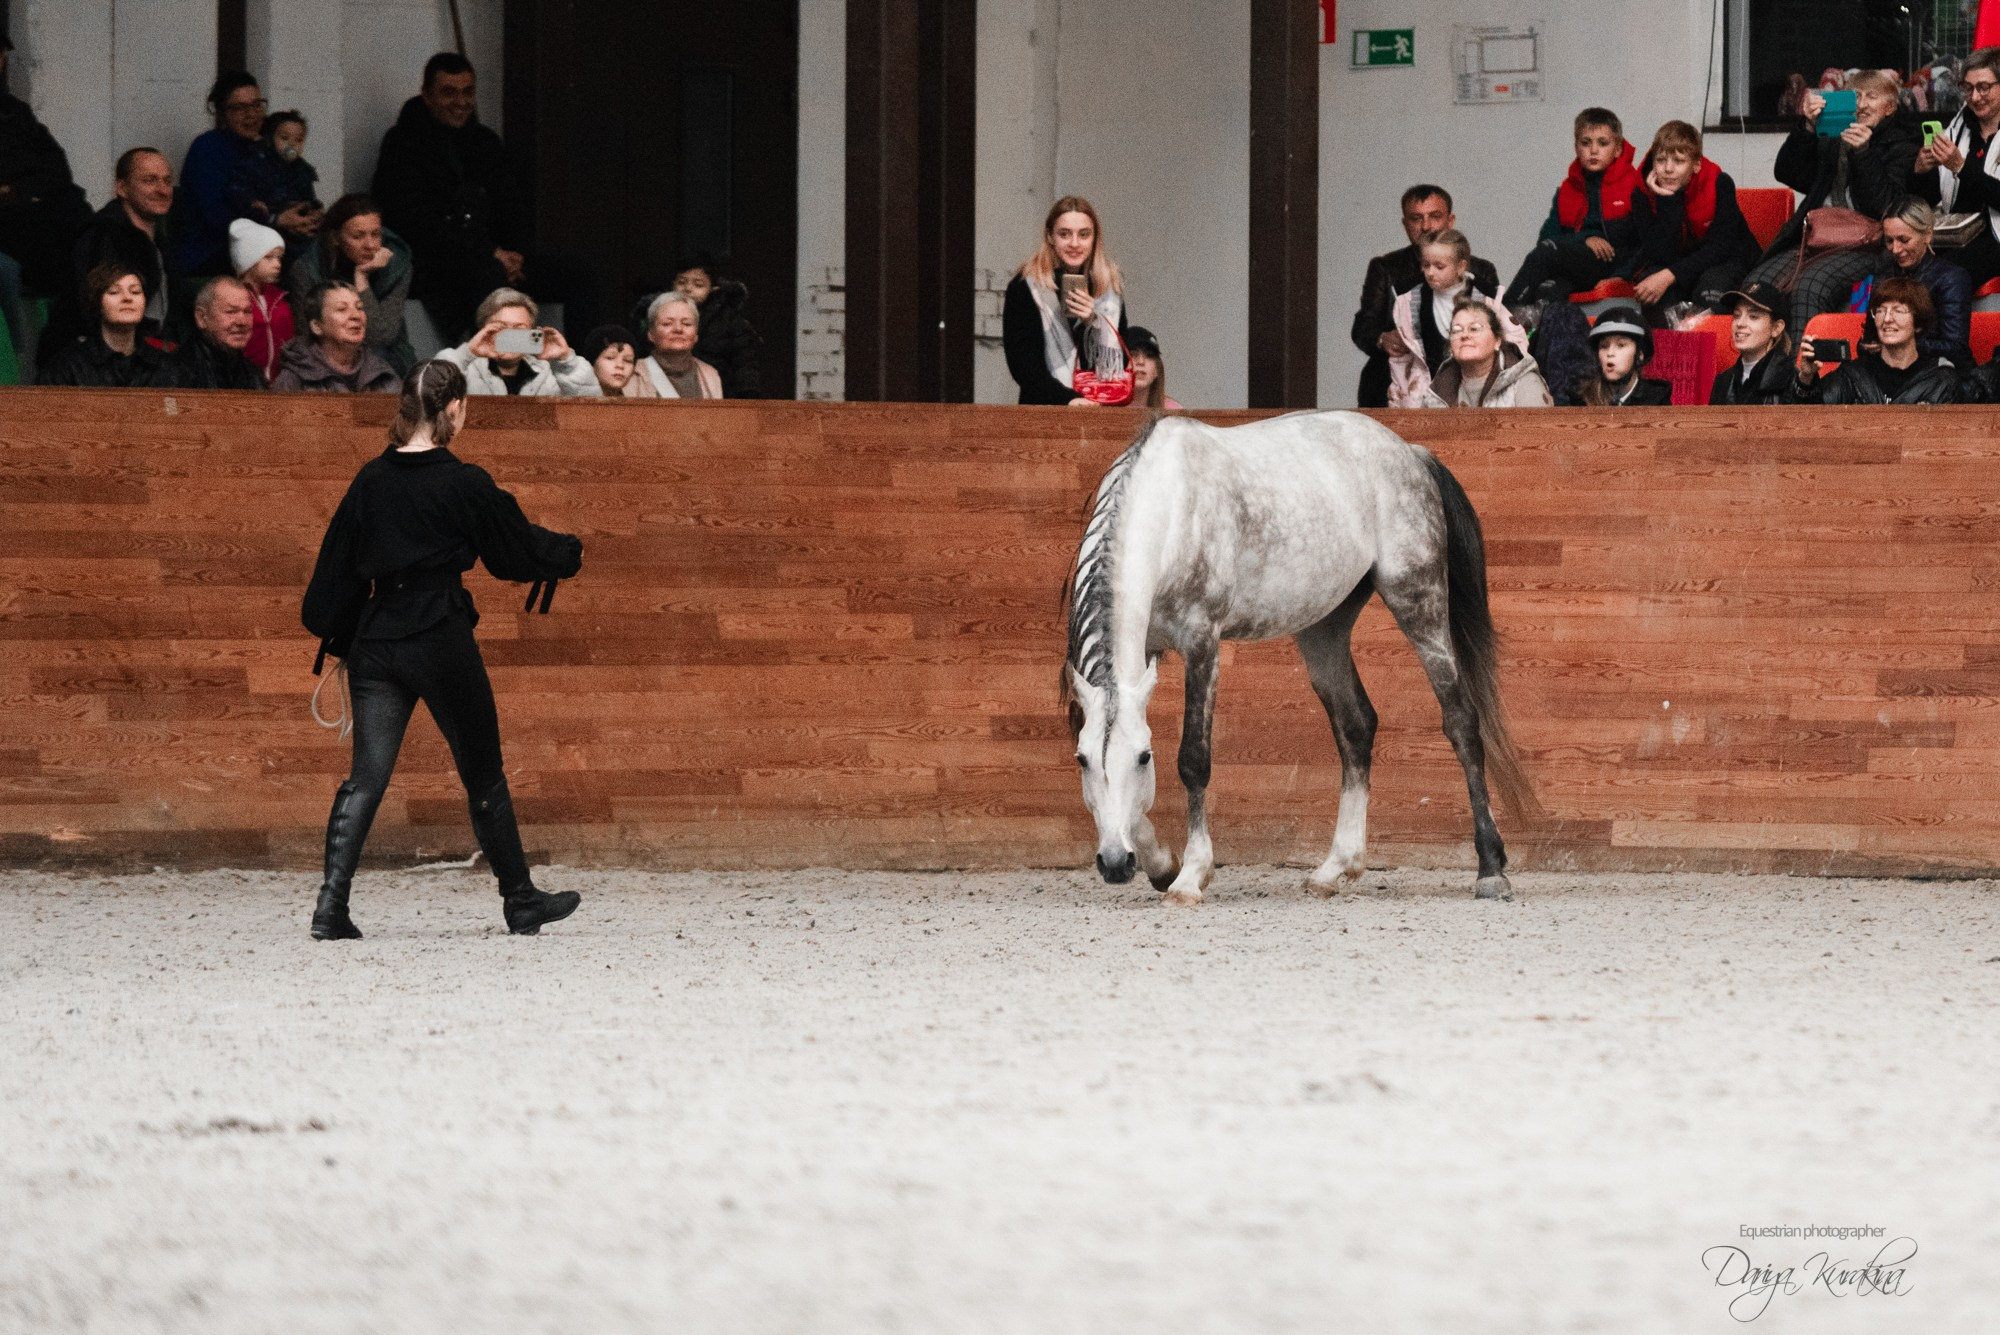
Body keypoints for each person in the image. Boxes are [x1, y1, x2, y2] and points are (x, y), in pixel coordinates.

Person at [300, 360, 585, 940]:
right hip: (438, 635)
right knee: (482, 771)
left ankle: (331, 908)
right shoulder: (463, 482)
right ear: (454, 408)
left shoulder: (370, 479)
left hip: (378, 640)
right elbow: (514, 550)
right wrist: (568, 552)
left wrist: (342, 634)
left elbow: (337, 569)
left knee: (366, 778)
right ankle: (520, 899)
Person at [1741, 71, 1922, 330]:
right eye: (1855, 96)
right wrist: (1807, 127)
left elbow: (1884, 206)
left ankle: (1803, 369)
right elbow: (1788, 173)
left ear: (1890, 108)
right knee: (1755, 288)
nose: (1861, 104)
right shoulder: (1832, 138)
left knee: (1809, 288)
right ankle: (1760, 370)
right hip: (1817, 238)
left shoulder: (1903, 144)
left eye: (1871, 97)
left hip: (1868, 245)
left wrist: (1863, 153)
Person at [373, 53, 527, 340]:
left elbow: (510, 207)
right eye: (449, 93)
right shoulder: (403, 144)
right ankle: (512, 365)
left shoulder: (486, 143)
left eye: (468, 92)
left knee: (576, 273)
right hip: (435, 262)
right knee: (488, 273)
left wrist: (513, 254)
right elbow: (414, 222)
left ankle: (593, 364)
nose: (461, 102)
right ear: (427, 95)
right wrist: (489, 253)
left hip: (493, 256)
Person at [1350, 184, 1502, 408]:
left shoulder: (1480, 270)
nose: (1426, 226)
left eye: (1435, 216)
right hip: (1400, 382)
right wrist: (1383, 339)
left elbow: (1500, 329)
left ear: (1450, 221)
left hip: (1468, 378)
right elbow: (1363, 328)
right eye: (1416, 218)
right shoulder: (1386, 267)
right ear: (1405, 224)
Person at [178, 72, 319, 277]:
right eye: (240, 108)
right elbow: (216, 217)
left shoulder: (269, 148)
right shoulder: (208, 148)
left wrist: (307, 217)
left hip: (273, 247)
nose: (251, 114)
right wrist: (275, 220)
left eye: (256, 105)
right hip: (215, 251)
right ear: (222, 114)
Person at [1504, 108, 1643, 305]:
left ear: (1618, 149)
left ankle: (1499, 319)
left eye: (1603, 143)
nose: (1593, 151)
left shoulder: (1635, 186)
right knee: (1548, 292)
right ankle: (1515, 330)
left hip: (1614, 267)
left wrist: (1621, 275)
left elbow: (1644, 245)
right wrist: (1585, 238)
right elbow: (1547, 239)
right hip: (1577, 266)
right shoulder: (1567, 190)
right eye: (1586, 143)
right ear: (1576, 147)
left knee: (1548, 252)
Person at [1618, 120, 1759, 314]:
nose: (1668, 169)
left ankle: (1706, 344)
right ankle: (1666, 344)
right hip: (1676, 262)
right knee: (1652, 288)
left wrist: (1670, 275)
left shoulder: (1720, 183)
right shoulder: (1642, 194)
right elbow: (1661, 254)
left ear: (1696, 165)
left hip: (1726, 260)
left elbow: (1720, 248)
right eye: (1661, 160)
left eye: (1678, 161)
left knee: (1710, 287)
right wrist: (1667, 200)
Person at [1002, 195, 1129, 406]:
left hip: (1100, 409)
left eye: (1084, 234)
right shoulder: (1026, 286)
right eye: (1064, 234)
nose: (1074, 243)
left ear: (1095, 237)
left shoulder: (1109, 287)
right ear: (1050, 236)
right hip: (1045, 410)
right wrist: (1068, 400)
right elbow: (1023, 365)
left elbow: (1120, 365)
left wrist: (1094, 324)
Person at [0, 25, 92, 302]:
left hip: (28, 207)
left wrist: (18, 192)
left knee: (79, 215)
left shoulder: (13, 111)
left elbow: (57, 168)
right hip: (13, 221)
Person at [1387, 229, 1527, 408]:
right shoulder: (1408, 303)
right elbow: (1401, 361)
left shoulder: (1487, 300)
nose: (1430, 272)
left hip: (1478, 400)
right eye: (1425, 265)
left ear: (1461, 266)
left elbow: (1517, 346)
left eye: (1439, 266)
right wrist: (1398, 405)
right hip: (1423, 401)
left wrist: (1499, 387)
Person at [289, 193, 417, 376]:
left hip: (388, 357)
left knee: (379, 359)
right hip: (326, 353)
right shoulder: (308, 268)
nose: (370, 245)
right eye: (358, 236)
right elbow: (306, 333)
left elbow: (379, 337)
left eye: (376, 234)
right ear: (335, 238)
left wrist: (362, 277)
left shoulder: (397, 265)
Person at [68, 148, 182, 338]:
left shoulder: (162, 242)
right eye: (149, 180)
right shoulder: (101, 237)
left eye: (167, 181)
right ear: (122, 188)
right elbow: (93, 314)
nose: (162, 190)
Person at [1911, 47, 2000, 288]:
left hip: (1994, 238)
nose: (1975, 97)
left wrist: (1961, 166)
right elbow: (1930, 196)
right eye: (1968, 88)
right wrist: (1922, 171)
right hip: (1954, 232)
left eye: (1984, 87)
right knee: (1896, 265)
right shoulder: (1958, 128)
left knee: (1943, 277)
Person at [1794, 276, 1960, 404]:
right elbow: (1809, 423)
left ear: (1918, 323)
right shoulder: (1853, 374)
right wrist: (1806, 379)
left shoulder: (1941, 379)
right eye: (1880, 311)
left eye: (1898, 311)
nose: (1887, 319)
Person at [1862, 200, 1971, 364]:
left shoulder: (1951, 278)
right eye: (1889, 241)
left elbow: (1956, 348)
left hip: (1938, 371)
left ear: (1927, 235)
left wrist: (1902, 344)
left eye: (1904, 240)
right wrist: (1867, 346)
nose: (1896, 249)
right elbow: (1870, 337)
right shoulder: (1883, 277)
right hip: (1891, 370)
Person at [437, 287, 598, 396]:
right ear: (483, 330)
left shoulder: (548, 376)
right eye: (500, 328)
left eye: (519, 328)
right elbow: (431, 390)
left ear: (532, 332)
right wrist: (468, 352)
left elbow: (591, 406)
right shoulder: (467, 370)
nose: (510, 335)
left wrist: (567, 360)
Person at [38, 261, 168, 387]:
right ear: (97, 303)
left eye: (135, 292)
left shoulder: (165, 366)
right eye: (114, 292)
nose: (127, 298)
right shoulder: (67, 367)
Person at [1418, 297, 1554, 408]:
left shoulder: (1525, 384)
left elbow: (1540, 438)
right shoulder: (1437, 392)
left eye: (1474, 329)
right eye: (1457, 330)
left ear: (1497, 341)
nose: (1464, 335)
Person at [273, 282, 400, 393]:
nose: (356, 315)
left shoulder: (382, 373)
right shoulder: (293, 380)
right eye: (342, 309)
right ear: (317, 326)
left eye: (360, 307)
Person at [232, 109, 323, 264]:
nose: (292, 144)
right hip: (265, 235)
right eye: (284, 138)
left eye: (299, 140)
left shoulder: (303, 170)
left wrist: (312, 216)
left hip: (299, 235)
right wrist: (273, 217)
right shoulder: (254, 165)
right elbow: (242, 202)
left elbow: (310, 199)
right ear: (269, 139)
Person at [672, 256, 761, 398]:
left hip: (720, 395)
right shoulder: (657, 314)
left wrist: (746, 398)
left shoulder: (731, 321)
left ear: (713, 288)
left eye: (698, 284)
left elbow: (745, 365)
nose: (688, 289)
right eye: (682, 282)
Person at [165, 275, 264, 390]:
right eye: (231, 312)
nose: (242, 321)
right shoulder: (176, 371)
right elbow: (170, 407)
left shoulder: (253, 374)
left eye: (248, 311)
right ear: (202, 318)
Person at [1708, 281, 1796, 405]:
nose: (1740, 323)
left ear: (1776, 328)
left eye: (1753, 316)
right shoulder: (1723, 381)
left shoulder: (1792, 380)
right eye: (1737, 315)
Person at [624, 292, 722, 398]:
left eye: (686, 324)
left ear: (696, 335)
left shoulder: (710, 374)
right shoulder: (632, 373)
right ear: (651, 334)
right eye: (667, 323)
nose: (678, 329)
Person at [230, 218, 292, 383]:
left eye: (279, 258)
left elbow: (290, 344)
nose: (277, 264)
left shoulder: (280, 301)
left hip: (280, 382)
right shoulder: (236, 300)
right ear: (249, 261)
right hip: (245, 382)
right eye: (269, 257)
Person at [1575, 303, 1672, 406]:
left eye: (1620, 345)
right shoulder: (1582, 398)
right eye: (1604, 346)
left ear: (1639, 354)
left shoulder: (1657, 399)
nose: (1610, 353)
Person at [1125, 326, 1180, 410]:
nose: (1141, 362)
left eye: (1149, 355)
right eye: (1132, 354)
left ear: (1157, 370)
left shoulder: (1173, 411)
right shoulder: (1102, 408)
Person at [581, 324, 637, 396]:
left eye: (628, 360)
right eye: (610, 358)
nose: (620, 365)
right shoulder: (574, 402)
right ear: (592, 363)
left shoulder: (636, 406)